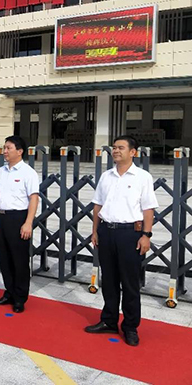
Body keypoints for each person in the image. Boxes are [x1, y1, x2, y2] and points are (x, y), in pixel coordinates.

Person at [85, 135, 158, 347]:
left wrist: (146, 235)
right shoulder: (106, 176)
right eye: (114, 147)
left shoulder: (142, 177)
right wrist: (95, 231)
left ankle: (130, 327)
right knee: (109, 281)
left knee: (129, 283)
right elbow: (98, 205)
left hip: (130, 234)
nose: (116, 151)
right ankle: (109, 320)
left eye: (121, 148)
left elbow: (148, 209)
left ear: (133, 152)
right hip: (107, 232)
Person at [0, 136, 39, 313]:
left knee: (19, 260)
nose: (5, 151)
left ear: (20, 151)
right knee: (4, 258)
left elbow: (34, 198)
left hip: (18, 218)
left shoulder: (28, 173)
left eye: (9, 148)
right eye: (4, 148)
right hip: (1, 217)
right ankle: (9, 291)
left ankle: (20, 297)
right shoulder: (0, 172)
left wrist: (28, 223)